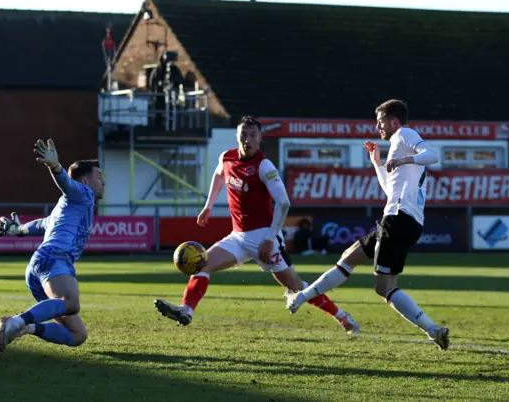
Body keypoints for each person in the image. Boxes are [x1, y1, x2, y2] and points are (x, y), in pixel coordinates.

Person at [154, 116, 359, 333]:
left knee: (295, 286)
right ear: (237, 136)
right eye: (243, 134)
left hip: (264, 237)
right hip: (238, 236)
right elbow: (218, 175)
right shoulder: (227, 158)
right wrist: (208, 206)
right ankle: (186, 310)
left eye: (253, 135)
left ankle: (342, 316)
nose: (247, 139)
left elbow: (284, 202)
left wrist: (270, 239)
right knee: (202, 264)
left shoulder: (263, 166)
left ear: (260, 137)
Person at [284, 99, 450, 350]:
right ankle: (303, 296)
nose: (378, 126)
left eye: (381, 121)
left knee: (384, 288)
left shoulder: (405, 134)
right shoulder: (397, 144)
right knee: (350, 256)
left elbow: (433, 155)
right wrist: (376, 162)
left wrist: (404, 161)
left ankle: (433, 330)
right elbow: (389, 188)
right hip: (400, 219)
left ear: (394, 121)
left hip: (399, 219)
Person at [0, 139, 105, 351]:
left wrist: (18, 230)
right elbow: (67, 183)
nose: (103, 181)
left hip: (38, 267)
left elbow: (41, 224)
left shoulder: (66, 209)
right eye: (99, 176)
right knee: (71, 303)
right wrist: (55, 167)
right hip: (55, 259)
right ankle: (17, 322)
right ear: (85, 181)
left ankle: (25, 328)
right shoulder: (83, 193)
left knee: (78, 335)